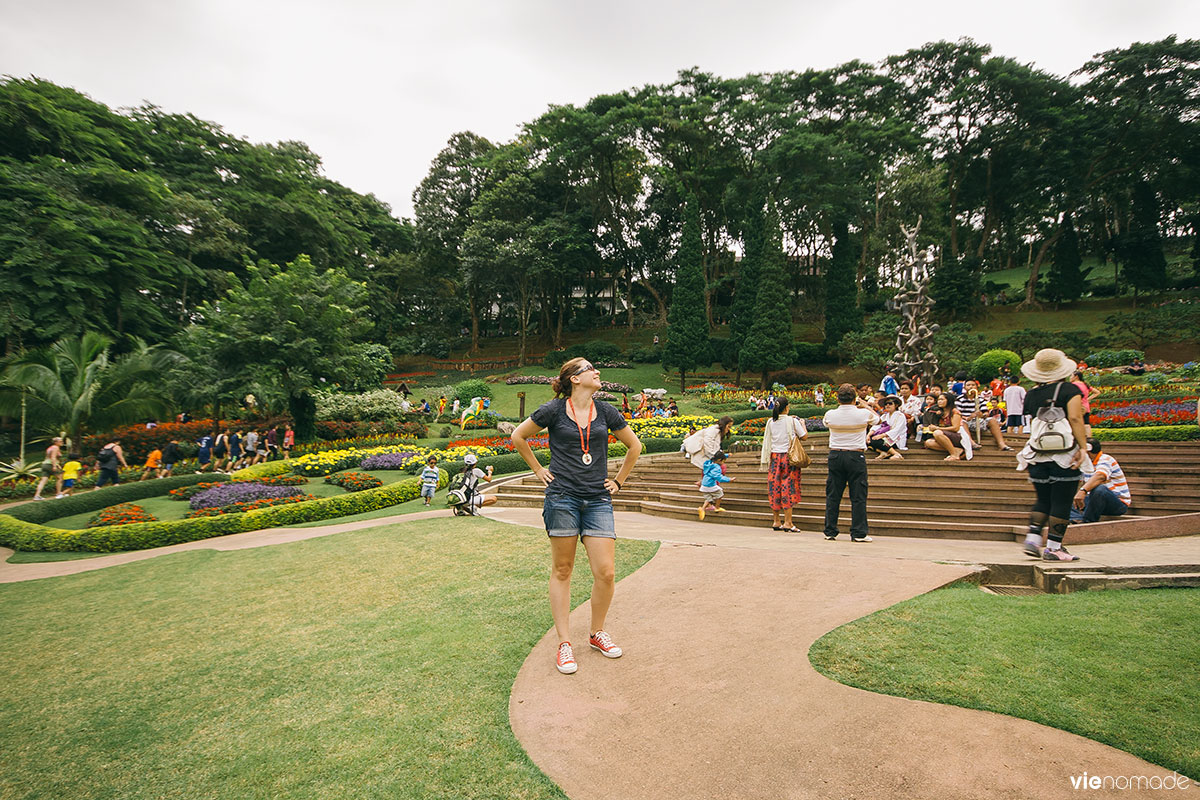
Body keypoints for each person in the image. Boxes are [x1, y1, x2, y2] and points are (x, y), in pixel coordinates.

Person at [511, 357, 643, 676]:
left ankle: (597, 633)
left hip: (597, 498)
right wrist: (539, 469)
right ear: (574, 379)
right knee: (562, 569)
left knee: (606, 572)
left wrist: (619, 480)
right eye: (590, 369)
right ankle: (564, 643)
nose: (597, 373)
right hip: (562, 498)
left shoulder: (607, 412)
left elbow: (634, 446)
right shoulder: (553, 410)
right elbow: (518, 436)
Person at [1017, 348, 1091, 561]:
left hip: (1036, 453)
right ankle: (1054, 548)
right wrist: (1083, 447)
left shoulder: (1030, 394)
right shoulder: (1070, 390)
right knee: (1062, 500)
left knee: (1043, 498)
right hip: (1063, 453)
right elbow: (1076, 419)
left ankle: (1032, 538)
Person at [822, 384, 878, 542]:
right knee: (858, 495)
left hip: (835, 455)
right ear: (855, 398)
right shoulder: (862, 414)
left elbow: (826, 423)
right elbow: (877, 419)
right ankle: (859, 532)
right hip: (855, 455)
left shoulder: (830, 414)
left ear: (838, 398)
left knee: (833, 495)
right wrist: (866, 405)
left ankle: (830, 530)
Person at [758, 396, 808, 532]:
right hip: (788, 458)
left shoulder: (770, 421)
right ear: (786, 407)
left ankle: (776, 521)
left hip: (774, 457)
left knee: (775, 486)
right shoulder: (792, 421)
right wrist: (802, 423)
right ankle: (788, 522)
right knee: (788, 487)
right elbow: (804, 436)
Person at [1070, 439, 1131, 524]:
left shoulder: (1106, 459)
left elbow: (1100, 476)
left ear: (1087, 451)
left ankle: (1088, 522)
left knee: (1100, 489)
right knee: (1064, 496)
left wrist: (1083, 491)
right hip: (1093, 502)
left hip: (1117, 503)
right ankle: (1077, 519)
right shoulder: (1086, 463)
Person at [923, 392, 966, 461]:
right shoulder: (939, 412)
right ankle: (956, 450)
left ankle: (954, 455)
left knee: (937, 432)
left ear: (948, 400)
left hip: (956, 436)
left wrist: (937, 428)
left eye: (942, 399)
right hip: (943, 435)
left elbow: (955, 428)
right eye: (938, 400)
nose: (939, 401)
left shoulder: (954, 412)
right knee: (928, 443)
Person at [698, 450, 733, 519]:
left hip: (704, 484)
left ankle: (702, 509)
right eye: (723, 461)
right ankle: (717, 507)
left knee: (709, 497)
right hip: (710, 484)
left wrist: (727, 455)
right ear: (720, 460)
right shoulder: (716, 467)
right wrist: (729, 479)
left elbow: (718, 457)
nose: (723, 463)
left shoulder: (709, 463)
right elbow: (718, 477)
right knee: (720, 494)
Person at [33, 437, 64, 501]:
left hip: (45, 464)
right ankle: (58, 493)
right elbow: (53, 457)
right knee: (60, 478)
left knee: (43, 481)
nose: (62, 442)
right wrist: (54, 466)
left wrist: (57, 464)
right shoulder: (56, 448)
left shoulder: (50, 448)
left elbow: (49, 457)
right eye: (60, 441)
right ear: (56, 442)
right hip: (50, 465)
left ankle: (37, 495)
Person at [897, 381, 922, 450]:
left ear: (911, 390)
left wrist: (912, 418)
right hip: (901, 418)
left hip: (912, 417)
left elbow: (917, 411)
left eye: (906, 389)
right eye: (902, 389)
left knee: (915, 418)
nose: (904, 391)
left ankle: (912, 433)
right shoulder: (898, 400)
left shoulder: (916, 400)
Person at [1072, 370, 1095, 436]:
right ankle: (1089, 439)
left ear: (1076, 377)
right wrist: (1087, 399)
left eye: (1071, 376)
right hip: (1086, 406)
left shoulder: (1073, 385)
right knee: (1086, 424)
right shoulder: (1085, 384)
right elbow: (1097, 392)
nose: (1070, 378)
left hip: (1077, 406)